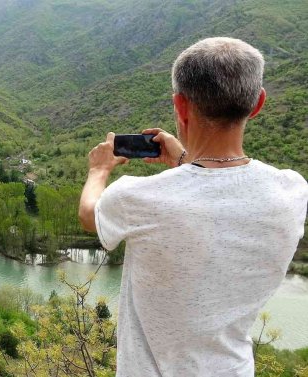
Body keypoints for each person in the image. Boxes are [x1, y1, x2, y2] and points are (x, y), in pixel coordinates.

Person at [78, 37, 308, 376]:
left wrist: (98, 171)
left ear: (180, 106)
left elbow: (89, 215)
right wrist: (185, 160)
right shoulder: (292, 190)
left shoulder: (139, 198)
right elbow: (220, 197)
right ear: (257, 104)